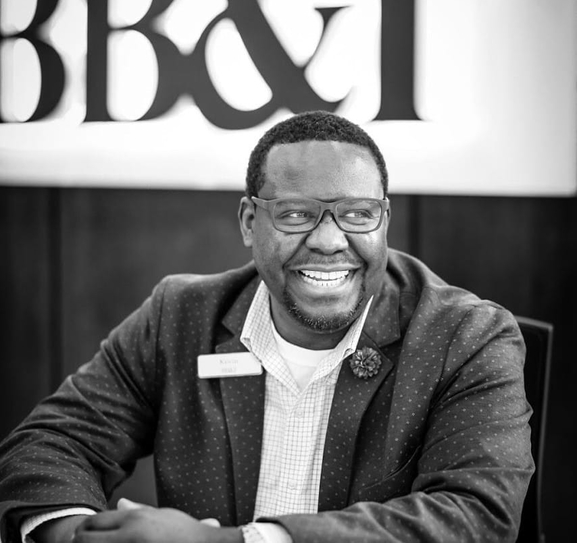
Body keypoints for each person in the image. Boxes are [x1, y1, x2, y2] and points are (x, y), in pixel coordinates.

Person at [0, 111, 533, 543]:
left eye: (357, 214)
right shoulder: (179, 317)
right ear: (249, 223)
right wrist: (78, 535)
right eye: (296, 214)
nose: (330, 241)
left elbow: (476, 517)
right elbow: (49, 443)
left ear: (384, 221)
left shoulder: (466, 337)